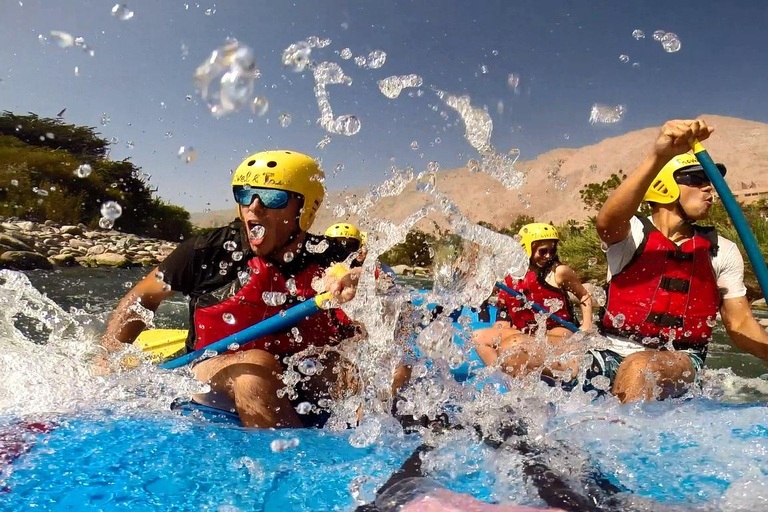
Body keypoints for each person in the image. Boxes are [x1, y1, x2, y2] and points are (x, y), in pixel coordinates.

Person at [100, 150, 361, 428]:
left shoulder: (331, 255)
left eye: (273, 197)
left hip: (299, 366)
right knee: (255, 371)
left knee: (345, 370)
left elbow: (375, 285)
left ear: (305, 209)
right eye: (245, 194)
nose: (254, 207)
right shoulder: (208, 250)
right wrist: (107, 358)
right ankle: (284, 456)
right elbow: (144, 297)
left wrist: (356, 281)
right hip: (215, 367)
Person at [591, 118, 768, 402]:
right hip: (608, 351)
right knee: (521, 351)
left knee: (639, 367)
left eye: (709, 182)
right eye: (697, 180)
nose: (709, 188)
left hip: (680, 358)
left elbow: (741, 323)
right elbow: (606, 222)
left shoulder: (721, 249)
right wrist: (659, 155)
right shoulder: (631, 234)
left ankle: (618, 431)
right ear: (664, 186)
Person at [472, 223, 593, 373]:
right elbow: (488, 294)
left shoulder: (558, 272)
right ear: (526, 249)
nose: (548, 256)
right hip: (527, 331)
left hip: (557, 331)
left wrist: (586, 325)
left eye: (552, 251)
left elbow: (584, 295)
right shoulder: (511, 273)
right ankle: (503, 376)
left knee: (515, 344)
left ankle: (536, 370)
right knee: (479, 337)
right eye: (543, 251)